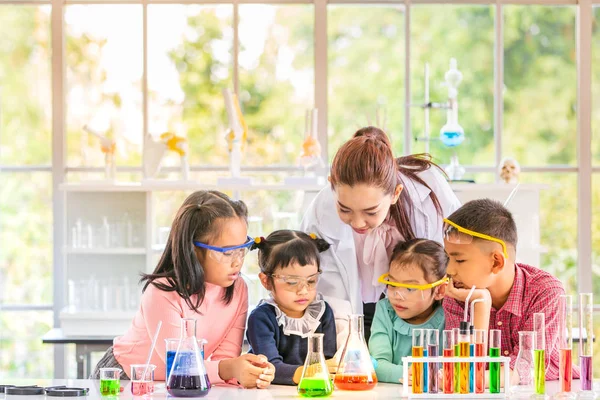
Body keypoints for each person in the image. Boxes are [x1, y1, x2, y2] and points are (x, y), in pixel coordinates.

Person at [92, 190, 275, 388]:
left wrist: (249, 371)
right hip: (127, 377)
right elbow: (179, 366)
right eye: (228, 252)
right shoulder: (162, 292)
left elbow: (224, 361)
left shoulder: (238, 289)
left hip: (185, 382)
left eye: (242, 249)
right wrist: (230, 369)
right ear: (194, 250)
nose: (238, 262)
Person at [300, 126, 460, 342]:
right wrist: (349, 346)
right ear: (332, 187)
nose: (357, 222)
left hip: (421, 321)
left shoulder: (429, 193)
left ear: (395, 193)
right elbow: (325, 290)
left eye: (370, 211)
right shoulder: (321, 213)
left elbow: (458, 256)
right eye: (345, 209)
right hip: (351, 319)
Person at [442, 198, 568, 380]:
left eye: (459, 260)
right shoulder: (457, 294)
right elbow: (464, 370)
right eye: (448, 258)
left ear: (496, 262)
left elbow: (528, 367)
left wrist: (468, 378)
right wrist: (481, 305)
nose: (449, 270)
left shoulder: (545, 291)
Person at [246, 230, 337, 385]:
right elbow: (270, 368)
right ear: (266, 281)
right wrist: (312, 371)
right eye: (292, 282)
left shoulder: (323, 312)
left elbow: (328, 361)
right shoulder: (261, 318)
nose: (303, 291)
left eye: (311, 281)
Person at [369, 239, 447, 383]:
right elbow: (376, 365)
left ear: (439, 290)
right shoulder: (385, 310)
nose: (397, 295)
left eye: (410, 288)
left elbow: (454, 368)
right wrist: (418, 375)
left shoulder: (450, 315)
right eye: (392, 284)